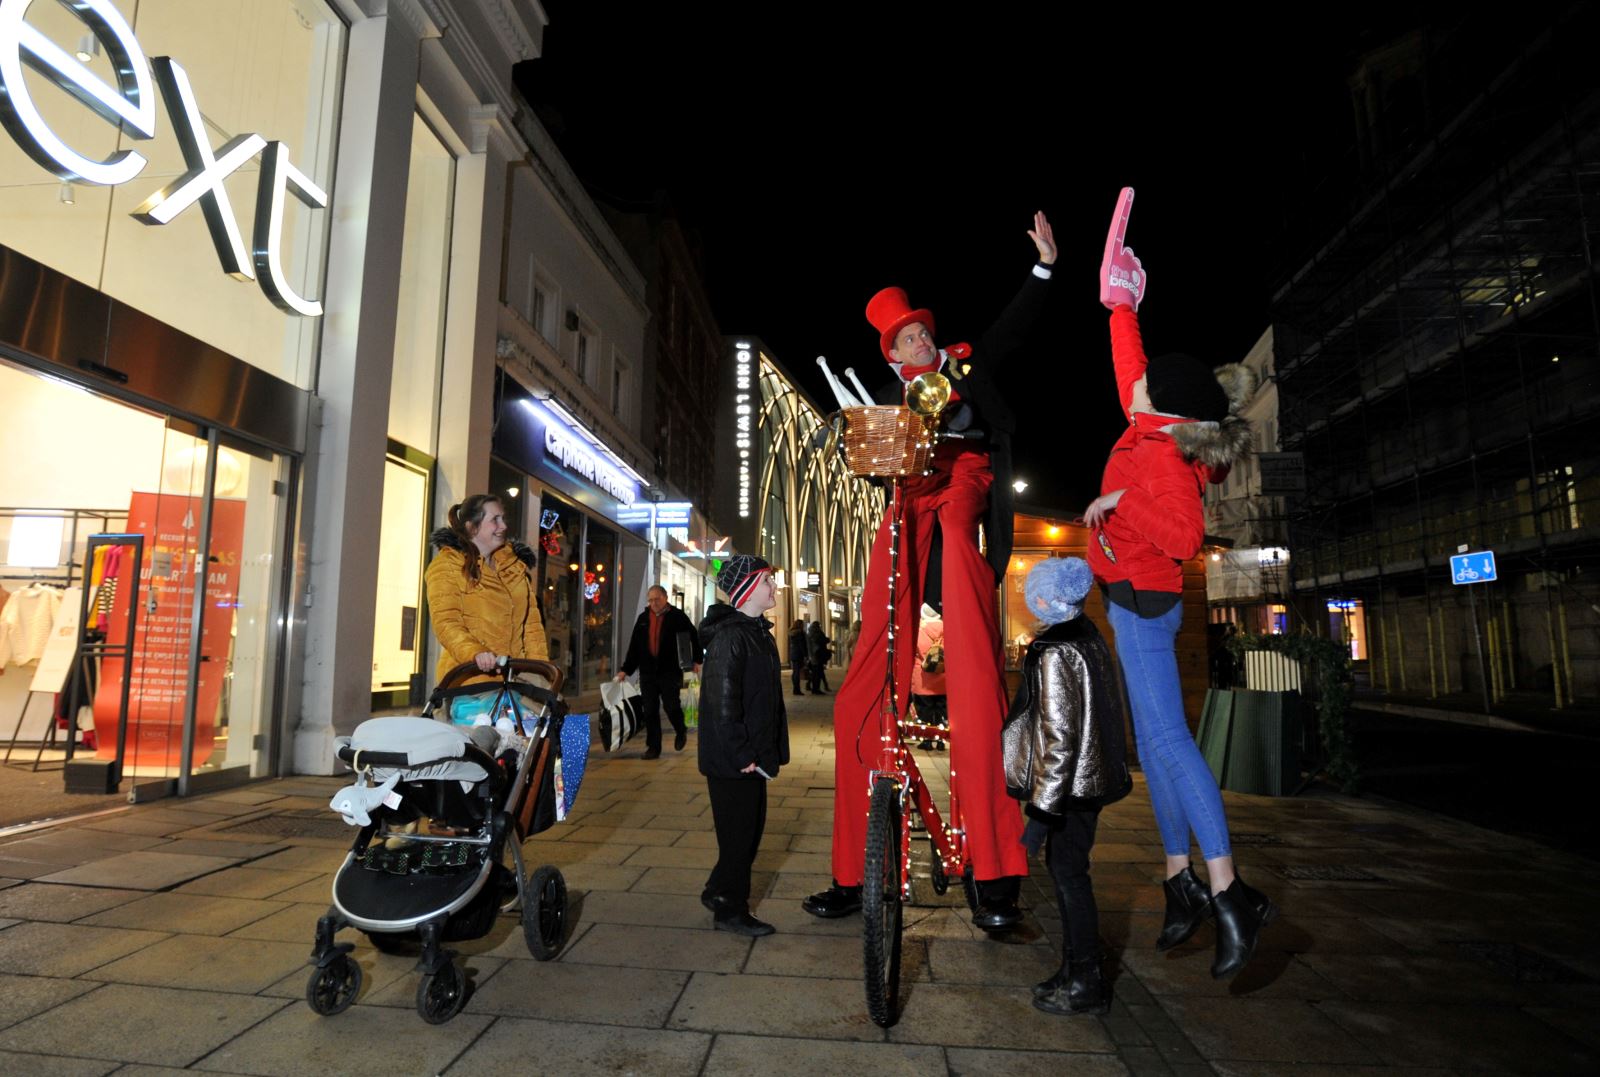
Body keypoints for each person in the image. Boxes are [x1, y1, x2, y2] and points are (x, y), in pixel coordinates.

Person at [805, 211, 1057, 929]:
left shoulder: (962, 366)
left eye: (922, 330)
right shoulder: (889, 402)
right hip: (909, 483)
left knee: (971, 641)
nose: (922, 338)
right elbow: (865, 451)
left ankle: (997, 875)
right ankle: (853, 876)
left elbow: (1010, 331)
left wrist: (1042, 269)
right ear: (893, 355)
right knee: (863, 688)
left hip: (965, 471)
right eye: (909, 336)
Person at [1086, 188, 1274, 980]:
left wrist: (1123, 501)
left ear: (1162, 407)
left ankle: (1231, 889)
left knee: (1165, 742)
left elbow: (1188, 538)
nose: (1134, 385)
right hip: (1131, 600)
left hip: (1145, 600)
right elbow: (1132, 363)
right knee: (1154, 749)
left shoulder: (1161, 454)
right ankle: (1178, 879)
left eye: (1146, 385)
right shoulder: (1151, 420)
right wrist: (1119, 304)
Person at [1002, 556, 1132, 1016]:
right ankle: (1074, 969)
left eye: (1029, 593)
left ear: (1041, 600)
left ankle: (1085, 983)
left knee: (1071, 879)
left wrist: (1040, 813)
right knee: (1069, 875)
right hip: (1089, 782)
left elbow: (1059, 739)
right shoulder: (1088, 635)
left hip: (1068, 790)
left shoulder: (1055, 651)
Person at [697, 554, 790, 937]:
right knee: (740, 839)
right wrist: (743, 756)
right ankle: (731, 911)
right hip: (734, 761)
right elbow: (722, 707)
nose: (775, 588)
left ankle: (718, 890)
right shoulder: (733, 637)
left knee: (746, 834)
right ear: (748, 590)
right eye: (768, 581)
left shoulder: (755, 632)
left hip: (752, 755)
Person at [426, 494, 547, 685]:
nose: (504, 526)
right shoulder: (447, 566)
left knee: (568, 716)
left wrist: (541, 671)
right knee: (491, 716)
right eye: (494, 520)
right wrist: (476, 652)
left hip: (516, 680)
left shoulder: (514, 567)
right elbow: (446, 623)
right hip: (471, 683)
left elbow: (532, 629)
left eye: (503, 518)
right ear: (471, 527)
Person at [617, 585, 702, 760]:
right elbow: (634, 647)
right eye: (650, 600)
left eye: (657, 599)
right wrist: (625, 670)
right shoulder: (643, 619)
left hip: (669, 671)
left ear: (665, 598)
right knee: (649, 710)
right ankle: (653, 747)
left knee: (671, 706)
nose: (653, 603)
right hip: (648, 672)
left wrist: (697, 660)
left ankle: (680, 729)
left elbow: (694, 636)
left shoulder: (677, 617)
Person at [911, 604, 947, 751]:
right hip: (943, 676)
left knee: (924, 711)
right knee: (942, 711)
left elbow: (919, 650)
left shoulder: (920, 629)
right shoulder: (947, 628)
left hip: (923, 678)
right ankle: (941, 740)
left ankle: (926, 739)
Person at [805, 621, 832, 693]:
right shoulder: (817, 633)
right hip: (818, 654)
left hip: (813, 655)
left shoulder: (809, 633)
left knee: (816, 672)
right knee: (818, 672)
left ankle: (815, 687)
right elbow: (821, 641)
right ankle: (816, 688)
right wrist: (827, 639)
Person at [787, 618, 809, 696]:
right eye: (802, 624)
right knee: (797, 673)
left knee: (795, 672)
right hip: (799, 654)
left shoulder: (792, 633)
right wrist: (806, 655)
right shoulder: (800, 633)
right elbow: (802, 645)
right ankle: (796, 690)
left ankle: (795, 688)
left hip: (793, 654)